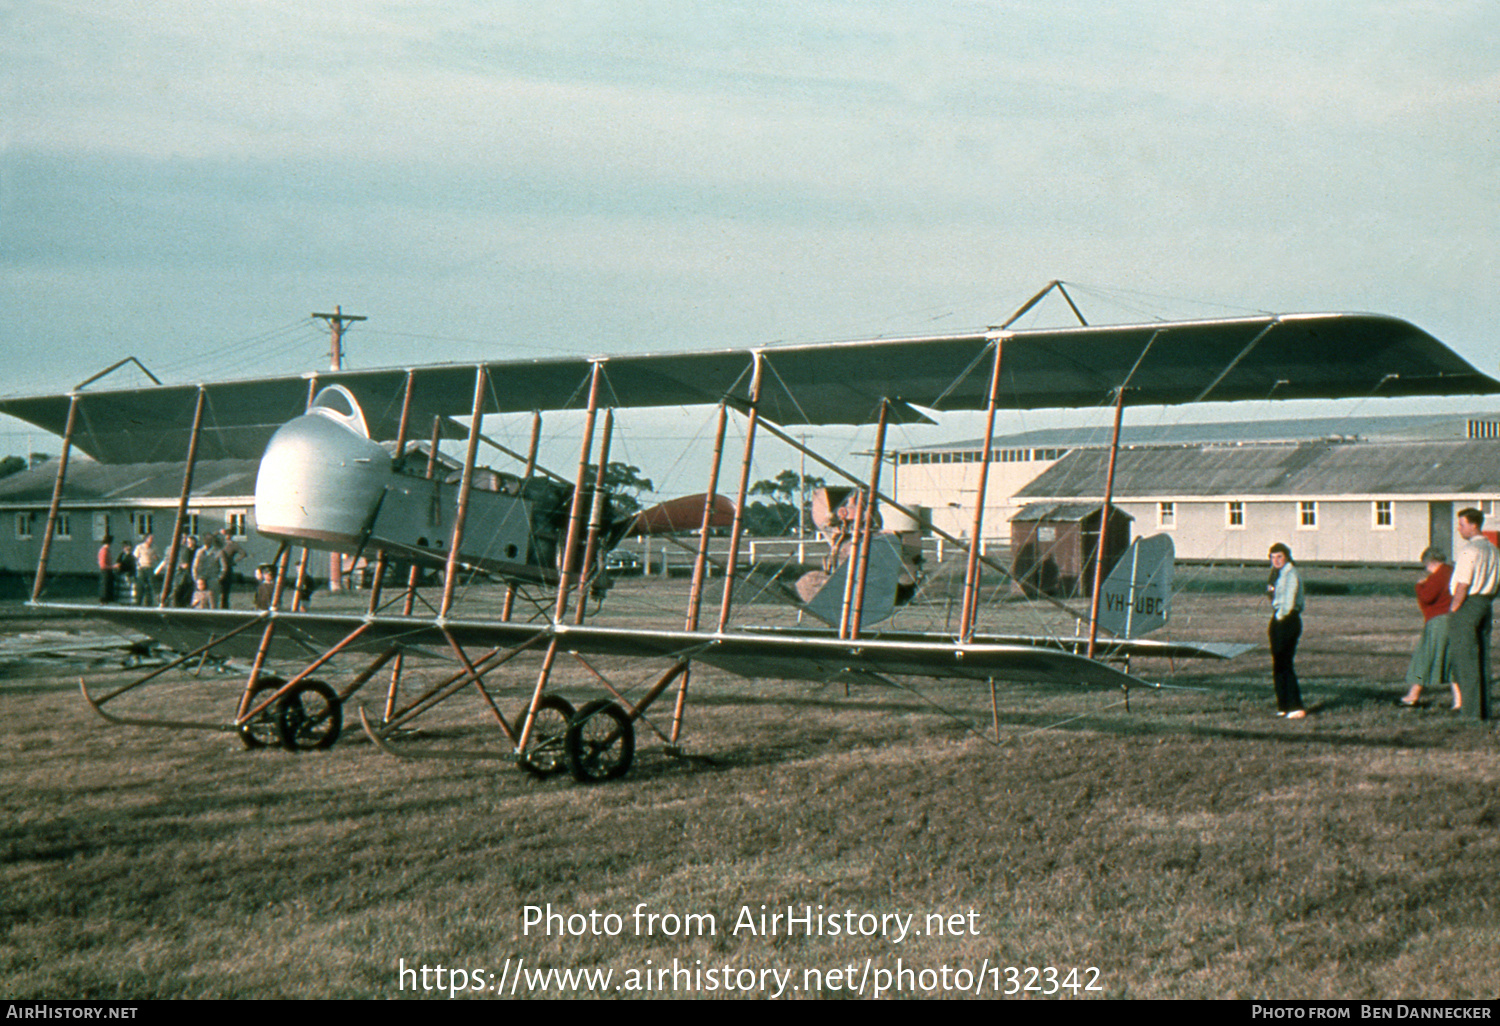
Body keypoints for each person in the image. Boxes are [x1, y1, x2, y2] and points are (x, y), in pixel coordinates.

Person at [1448, 508, 1498, 720]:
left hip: (1468, 604)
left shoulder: (1470, 551)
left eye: (1462, 524)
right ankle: (1483, 710)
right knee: (1482, 659)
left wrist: (1454, 607)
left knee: (1465, 660)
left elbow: (1463, 583)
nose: (1459, 529)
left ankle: (1470, 713)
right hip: (1486, 604)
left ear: (1473, 525)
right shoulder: (1494, 550)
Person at [1400, 548, 1457, 708]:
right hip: (1453, 619)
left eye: (1427, 565)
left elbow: (1427, 597)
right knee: (1452, 660)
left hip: (1438, 621)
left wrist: (1419, 586)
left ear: (1430, 562)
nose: (1427, 569)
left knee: (1424, 658)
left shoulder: (1437, 576)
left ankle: (1413, 696)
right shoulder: (1452, 571)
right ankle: (1459, 701)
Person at [1267, 542, 1306, 719]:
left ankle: (1296, 706)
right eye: (1273, 557)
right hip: (1278, 618)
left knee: (1285, 663)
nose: (1276, 560)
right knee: (1278, 663)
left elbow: (1289, 601)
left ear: (1287, 557)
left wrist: (1281, 618)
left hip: (1287, 620)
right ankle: (1283, 704)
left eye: (1279, 556)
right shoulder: (1277, 574)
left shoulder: (1291, 574)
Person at [132, 534, 158, 606]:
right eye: (150, 538)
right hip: (142, 568)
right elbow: (135, 558)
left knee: (150, 586)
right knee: (141, 585)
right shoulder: (140, 547)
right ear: (146, 539)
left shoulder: (153, 548)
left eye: (152, 539)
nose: (152, 540)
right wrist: (138, 566)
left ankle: (148, 603)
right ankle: (138, 603)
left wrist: (156, 558)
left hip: (150, 568)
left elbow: (156, 557)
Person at [97, 534, 115, 603]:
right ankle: (103, 600)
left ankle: (106, 600)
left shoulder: (107, 550)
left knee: (107, 587)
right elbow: (103, 564)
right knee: (105, 587)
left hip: (108, 571)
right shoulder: (104, 551)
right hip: (105, 571)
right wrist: (113, 566)